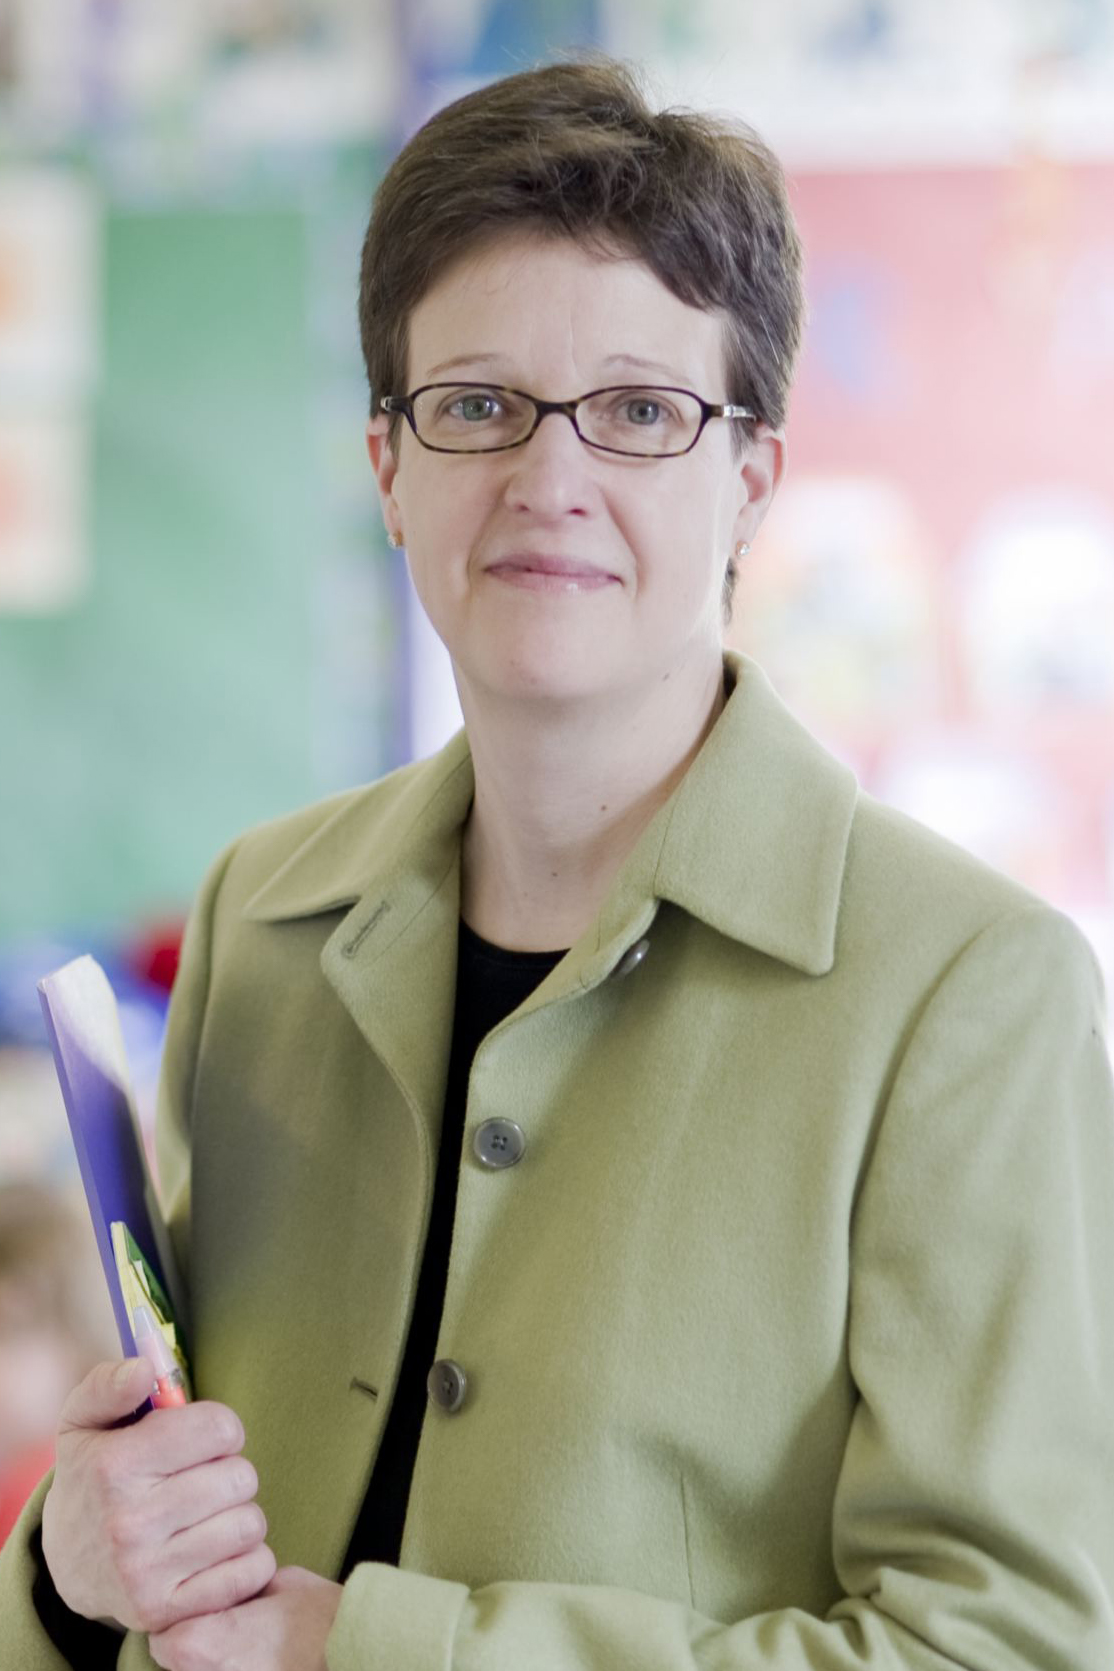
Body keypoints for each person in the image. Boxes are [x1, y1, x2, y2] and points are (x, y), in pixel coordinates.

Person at [2, 50, 1112, 1671]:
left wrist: (373, 1651)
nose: (549, 480)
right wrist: (70, 1568)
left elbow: (1002, 1647)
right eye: (474, 406)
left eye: (641, 412)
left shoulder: (968, 992)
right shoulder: (264, 920)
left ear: (750, 481)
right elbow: (186, 1489)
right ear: (387, 468)